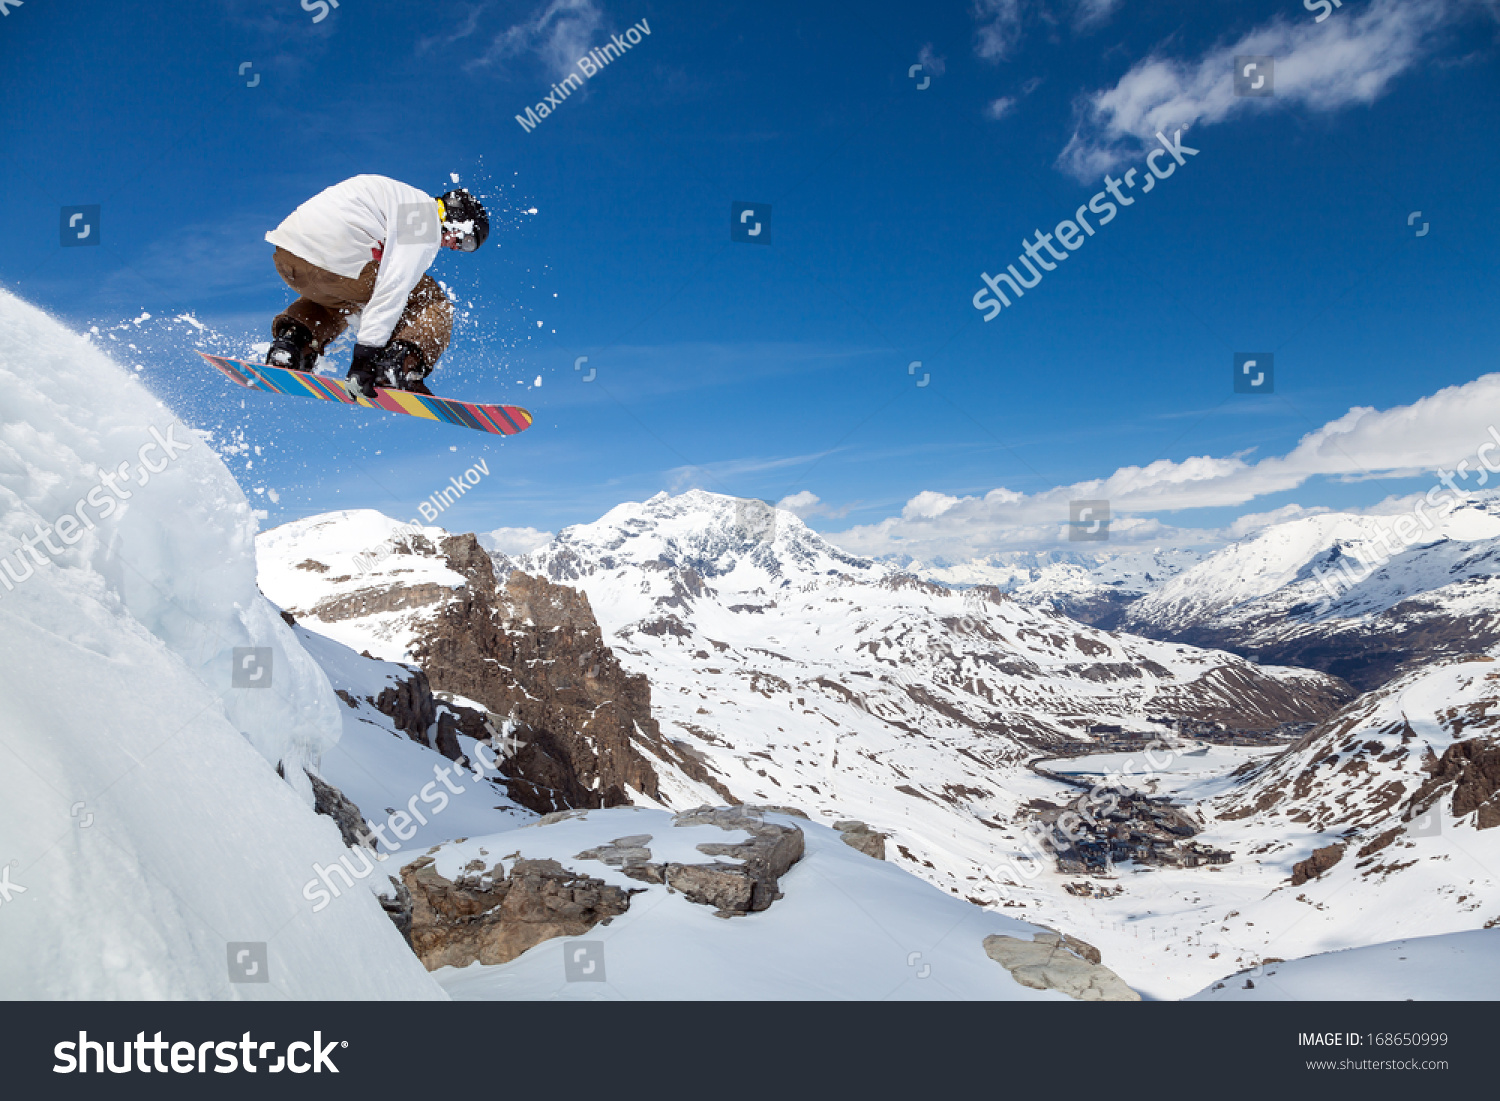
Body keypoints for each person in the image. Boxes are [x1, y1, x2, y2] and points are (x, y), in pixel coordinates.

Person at [263, 175, 489, 398]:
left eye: (467, 247)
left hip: (289, 258)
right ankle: (398, 365)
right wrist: (364, 359)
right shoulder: (425, 217)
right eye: (467, 240)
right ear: (458, 216)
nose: (456, 247)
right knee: (429, 296)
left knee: (349, 294)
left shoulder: (401, 199)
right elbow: (394, 286)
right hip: (332, 260)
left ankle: (293, 344)